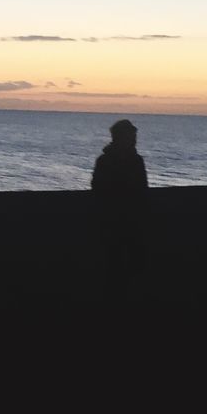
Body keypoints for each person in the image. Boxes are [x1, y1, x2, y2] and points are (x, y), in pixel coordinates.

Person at [91, 119, 149, 290]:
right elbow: (141, 189)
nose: (134, 138)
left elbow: (97, 187)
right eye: (132, 135)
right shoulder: (133, 160)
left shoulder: (106, 159)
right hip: (121, 219)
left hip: (120, 219)